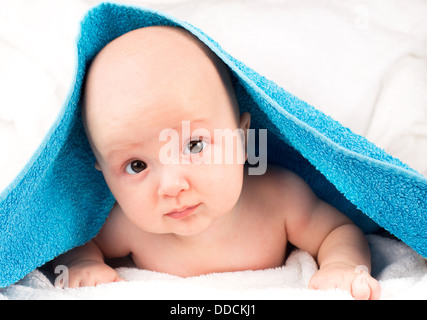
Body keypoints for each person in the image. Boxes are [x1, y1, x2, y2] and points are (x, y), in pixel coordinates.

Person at [53, 26, 381, 300]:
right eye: (136, 165)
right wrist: (83, 262)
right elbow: (73, 244)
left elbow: (336, 231)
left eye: (194, 145)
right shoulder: (125, 226)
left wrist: (343, 265)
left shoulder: (278, 199)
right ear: (105, 176)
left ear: (241, 141)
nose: (171, 186)